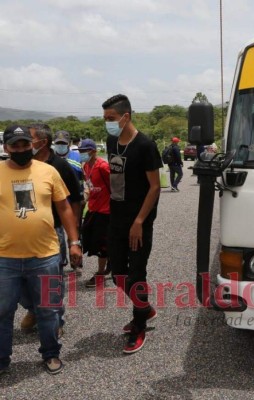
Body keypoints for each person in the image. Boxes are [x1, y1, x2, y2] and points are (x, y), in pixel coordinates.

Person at [0, 125, 81, 375]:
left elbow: (65, 207)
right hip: (5, 258)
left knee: (49, 308)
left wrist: (74, 242)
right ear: (6, 148)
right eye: (16, 145)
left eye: (26, 144)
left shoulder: (49, 171)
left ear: (33, 145)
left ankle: (51, 354)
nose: (22, 149)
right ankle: (2, 360)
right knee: (3, 311)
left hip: (45, 255)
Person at [102, 94, 162, 354]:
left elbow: (155, 186)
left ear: (125, 117)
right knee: (116, 274)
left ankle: (139, 325)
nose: (108, 123)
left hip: (139, 222)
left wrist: (139, 221)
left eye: (111, 119)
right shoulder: (111, 141)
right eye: (105, 119)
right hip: (116, 218)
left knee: (137, 274)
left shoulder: (145, 145)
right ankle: (145, 308)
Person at [19, 124, 83, 337]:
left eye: (29, 140)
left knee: (51, 279)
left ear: (42, 142)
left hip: (52, 231)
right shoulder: (22, 165)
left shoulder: (60, 167)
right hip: (22, 232)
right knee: (18, 278)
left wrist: (74, 237)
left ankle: (55, 319)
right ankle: (33, 310)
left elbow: (74, 201)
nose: (25, 144)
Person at [78, 139, 112, 288]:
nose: (82, 154)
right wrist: (85, 199)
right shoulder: (85, 166)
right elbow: (90, 186)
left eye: (84, 151)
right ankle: (111, 263)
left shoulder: (103, 166)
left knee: (101, 244)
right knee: (87, 236)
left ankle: (101, 273)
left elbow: (116, 187)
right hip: (93, 209)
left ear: (93, 151)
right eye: (80, 151)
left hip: (106, 211)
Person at [54, 130, 85, 273]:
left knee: (75, 232)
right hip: (56, 202)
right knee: (57, 234)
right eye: (58, 143)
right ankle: (60, 262)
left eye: (63, 143)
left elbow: (84, 177)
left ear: (69, 144)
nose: (60, 146)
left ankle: (76, 261)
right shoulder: (50, 158)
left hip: (73, 201)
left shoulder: (76, 157)